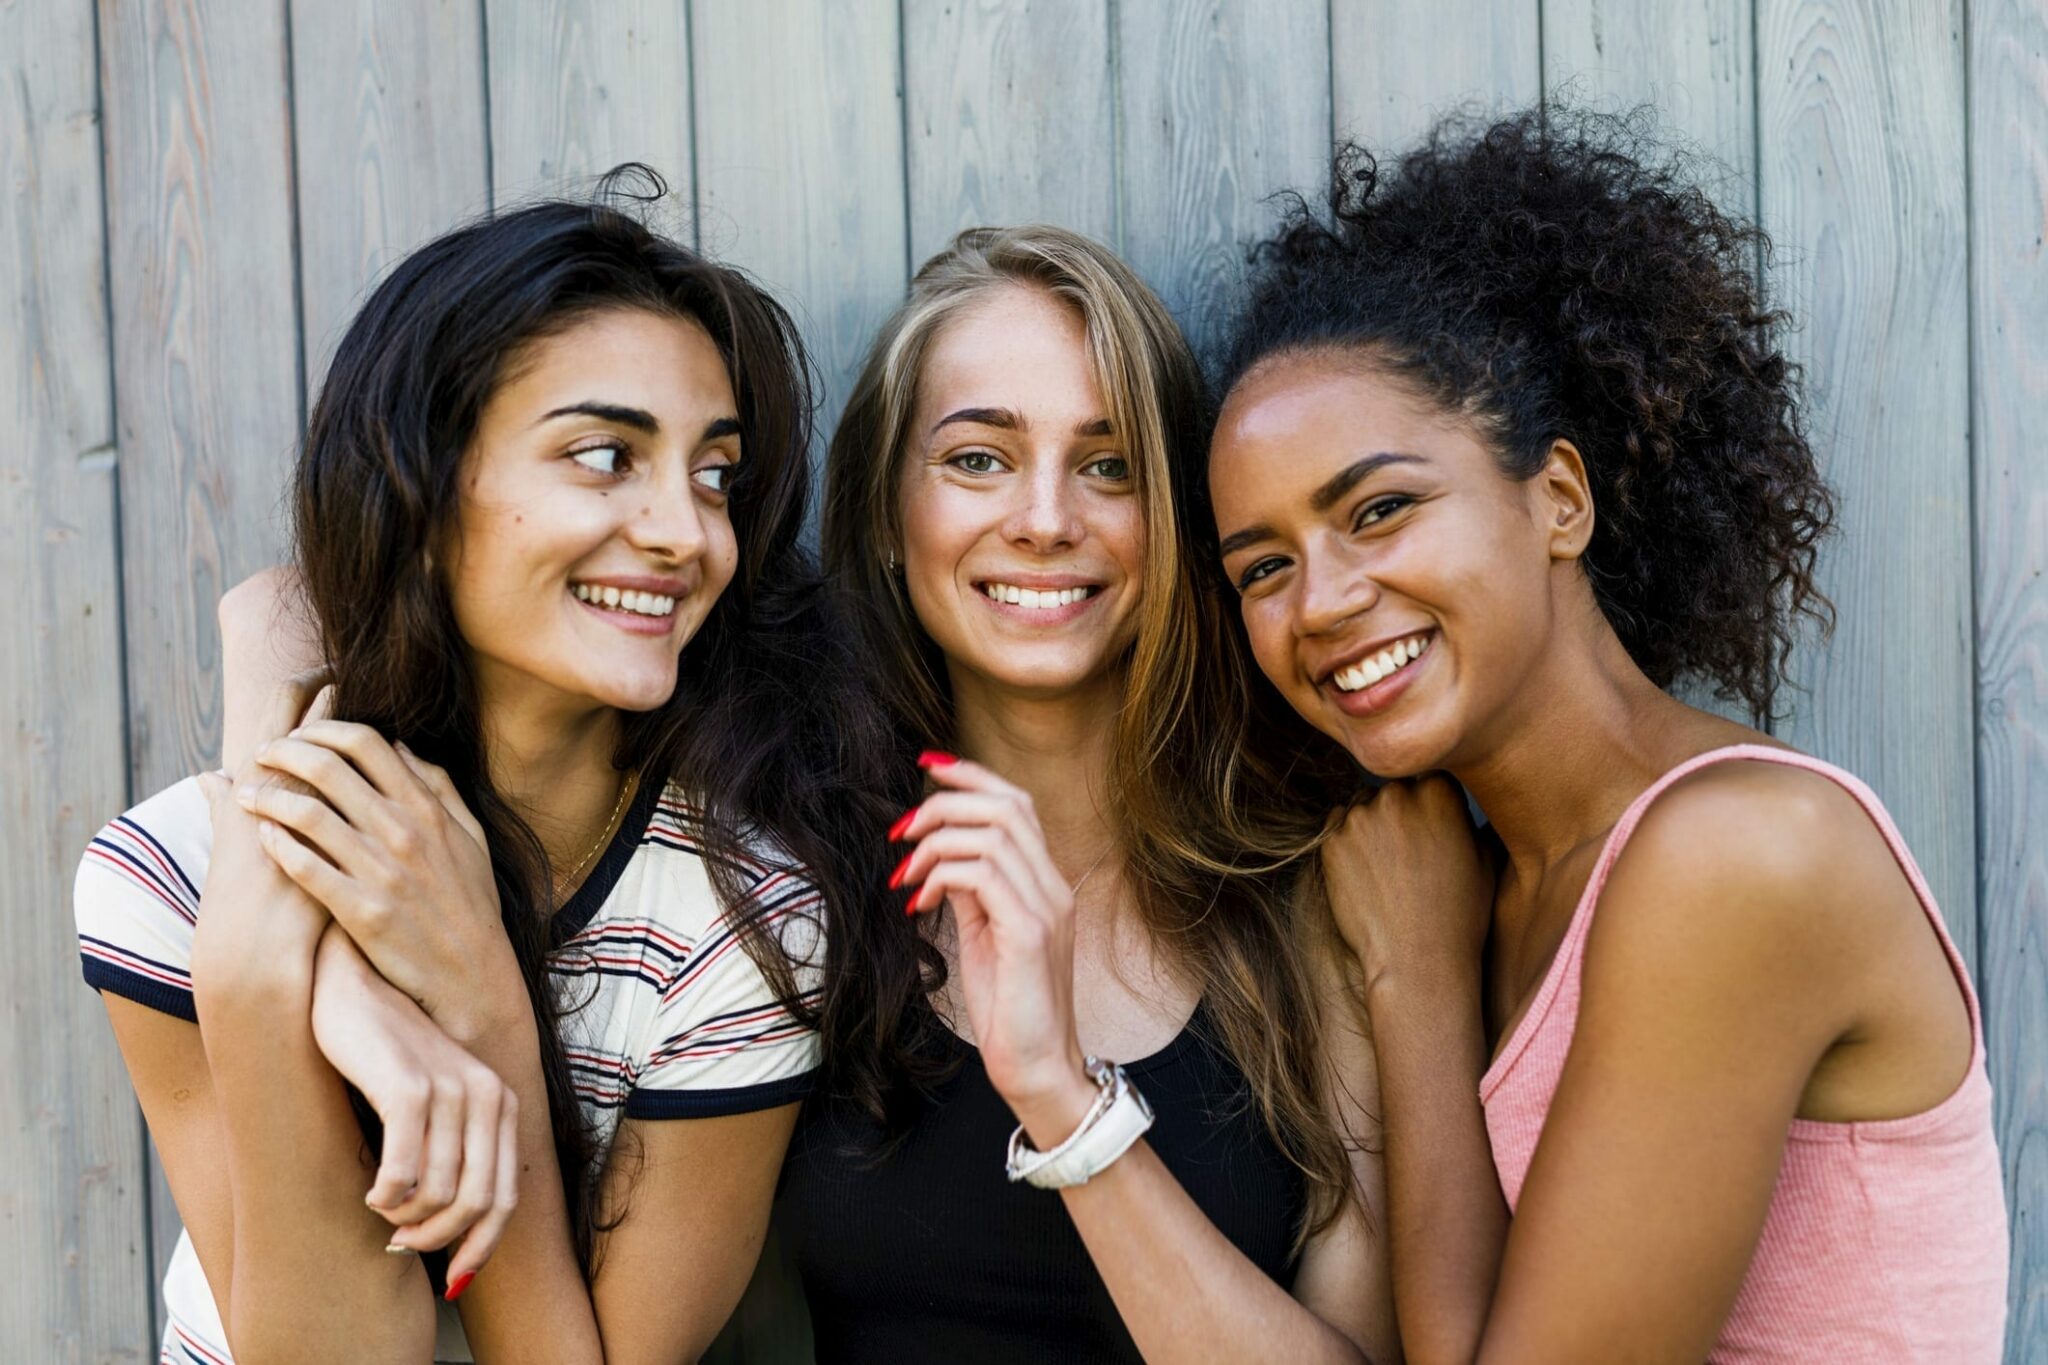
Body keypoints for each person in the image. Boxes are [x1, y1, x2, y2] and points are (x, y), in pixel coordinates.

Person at [1199, 108, 2010, 1361]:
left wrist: (1414, 984)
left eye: (1379, 508)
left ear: (1558, 500)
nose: (1320, 602)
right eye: (1261, 568)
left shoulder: (1735, 857)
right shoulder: (1503, 874)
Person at [75, 175, 881, 1363]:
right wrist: (267, 974)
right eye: (605, 456)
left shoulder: (733, 923)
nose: (683, 531)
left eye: (715, 475)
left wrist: (487, 1013)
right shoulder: (170, 876)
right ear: (423, 479)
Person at [777, 224, 1398, 1364]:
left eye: (1108, 465)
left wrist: (1062, 1099)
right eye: (977, 458)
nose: (1048, 517)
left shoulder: (1307, 884)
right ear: (882, 509)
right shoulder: (792, 874)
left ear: (1173, 519)